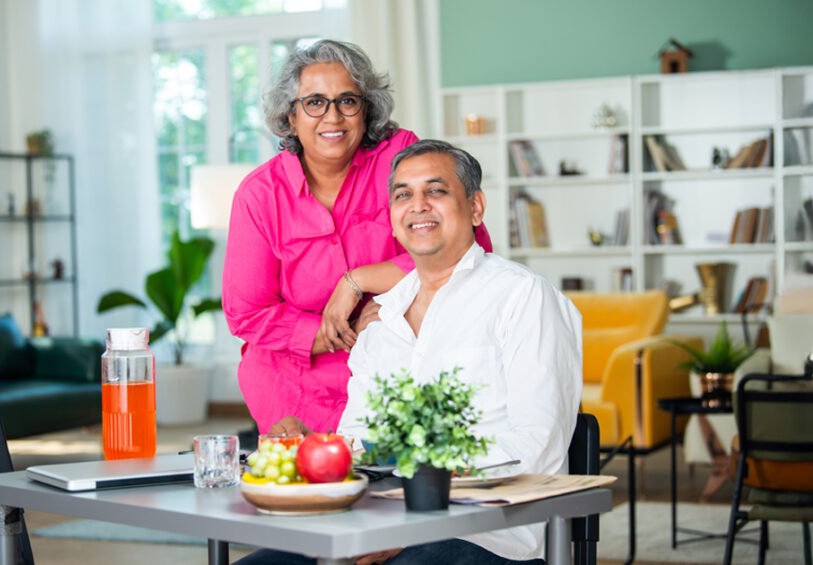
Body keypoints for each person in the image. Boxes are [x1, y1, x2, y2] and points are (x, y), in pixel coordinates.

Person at [238, 142, 582, 565]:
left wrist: (412, 517)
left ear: (476, 208)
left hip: (489, 534)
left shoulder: (523, 297)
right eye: (402, 195)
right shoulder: (379, 322)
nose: (417, 206)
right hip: (379, 523)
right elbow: (360, 442)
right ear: (393, 220)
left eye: (435, 191)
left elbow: (536, 447)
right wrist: (313, 447)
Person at [222, 40, 491, 434]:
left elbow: (468, 244)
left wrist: (361, 281)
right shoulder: (260, 195)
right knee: (309, 489)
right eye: (314, 102)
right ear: (291, 117)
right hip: (292, 386)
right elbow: (247, 312)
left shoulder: (403, 158)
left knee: (399, 488)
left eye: (347, 101)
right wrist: (337, 333)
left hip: (400, 370)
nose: (332, 117)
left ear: (366, 111)